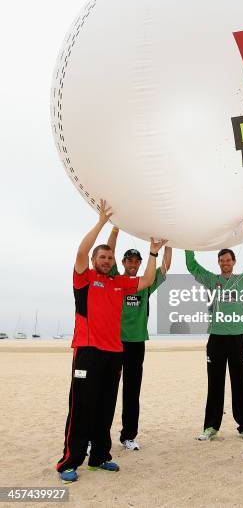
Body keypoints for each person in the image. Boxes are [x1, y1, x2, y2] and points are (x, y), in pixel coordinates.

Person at [56, 200, 166, 483]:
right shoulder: (84, 279)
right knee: (81, 406)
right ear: (94, 261)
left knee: (106, 406)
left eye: (109, 258)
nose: (106, 261)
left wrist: (153, 252)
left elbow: (147, 280)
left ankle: (100, 456)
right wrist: (102, 222)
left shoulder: (119, 283)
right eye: (101, 257)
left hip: (114, 352)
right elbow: (81, 250)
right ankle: (70, 461)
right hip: (87, 351)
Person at [185, 220, 243, 442]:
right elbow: (192, 266)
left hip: (238, 339)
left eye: (228, 260)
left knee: (240, 385)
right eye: (221, 261)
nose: (225, 263)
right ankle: (211, 427)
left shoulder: (242, 280)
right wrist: (185, 239)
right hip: (217, 340)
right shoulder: (212, 280)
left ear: (233, 261)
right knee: (215, 385)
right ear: (219, 263)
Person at [106, 227, 172, 450]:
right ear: (123, 263)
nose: (133, 264)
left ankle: (128, 436)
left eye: (136, 261)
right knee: (107, 391)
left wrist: (171, 238)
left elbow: (165, 266)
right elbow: (109, 251)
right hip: (114, 344)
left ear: (140, 263)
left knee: (132, 392)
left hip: (136, 344)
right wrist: (115, 227)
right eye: (129, 261)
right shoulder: (115, 278)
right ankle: (98, 436)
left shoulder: (146, 283)